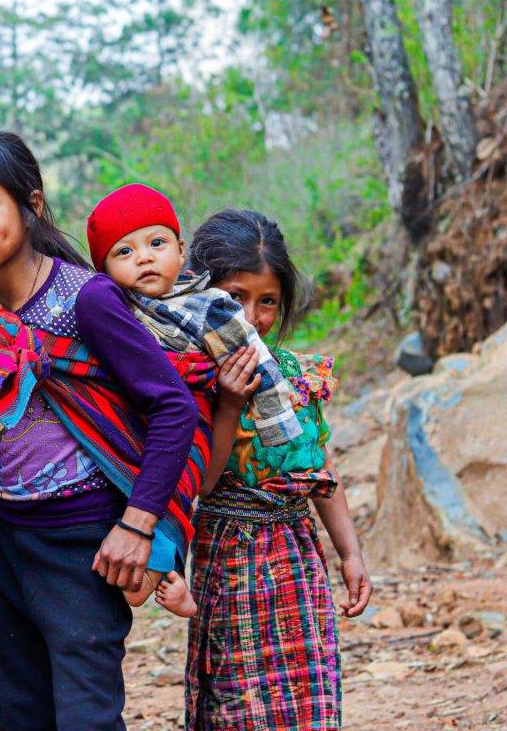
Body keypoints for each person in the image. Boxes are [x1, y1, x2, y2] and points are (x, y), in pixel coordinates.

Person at [0, 127, 199, 730]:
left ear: (32, 204)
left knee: (87, 720)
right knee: (24, 716)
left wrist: (137, 524)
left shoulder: (86, 300)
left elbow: (174, 407)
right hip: (9, 536)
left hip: (88, 537)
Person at [183, 209, 372, 731]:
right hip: (229, 551)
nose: (253, 316)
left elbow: (318, 466)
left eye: (267, 301)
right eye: (235, 298)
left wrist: (350, 553)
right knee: (239, 698)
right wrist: (225, 404)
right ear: (201, 293)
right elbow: (199, 482)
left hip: (296, 551)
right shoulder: (189, 377)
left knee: (308, 695)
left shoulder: (293, 374)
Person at [84, 182, 305, 617]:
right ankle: (163, 568)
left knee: (167, 504)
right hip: (133, 439)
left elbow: (261, 375)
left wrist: (263, 419)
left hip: (198, 455)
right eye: (124, 252)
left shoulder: (208, 308)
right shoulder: (116, 311)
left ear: (180, 253)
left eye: (156, 244)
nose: (144, 257)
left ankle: (166, 569)